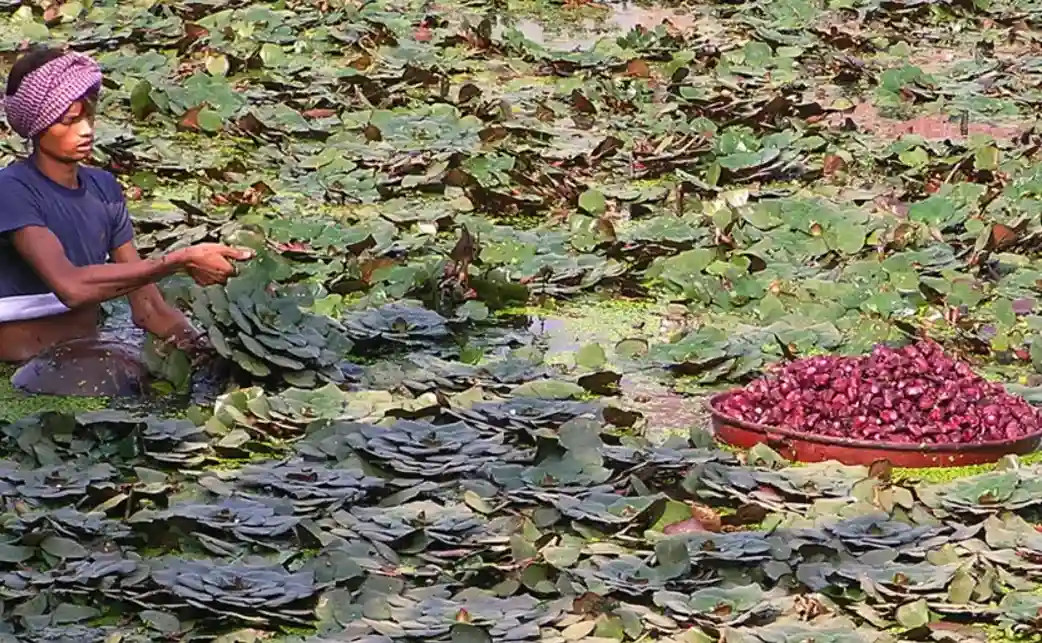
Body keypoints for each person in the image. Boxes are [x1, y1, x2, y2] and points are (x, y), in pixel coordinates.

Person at [0, 45, 253, 366]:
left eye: (89, 116)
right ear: (37, 125)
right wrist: (178, 261)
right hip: (24, 370)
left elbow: (148, 308)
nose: (85, 130)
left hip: (86, 356)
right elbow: (71, 287)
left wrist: (213, 356)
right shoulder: (11, 189)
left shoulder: (104, 188)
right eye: (69, 121)